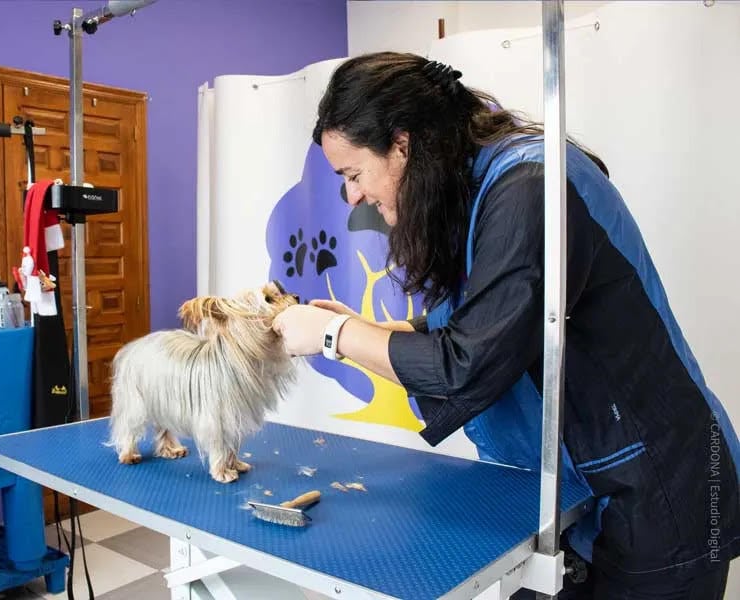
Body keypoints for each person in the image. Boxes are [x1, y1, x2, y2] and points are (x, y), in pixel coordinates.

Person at [272, 52, 739, 599]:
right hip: (584, 490)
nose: (353, 197)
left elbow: (468, 364)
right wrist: (364, 330)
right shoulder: (476, 185)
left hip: (661, 494)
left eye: (353, 174)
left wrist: (332, 337)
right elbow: (485, 324)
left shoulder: (529, 185)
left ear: (402, 143)